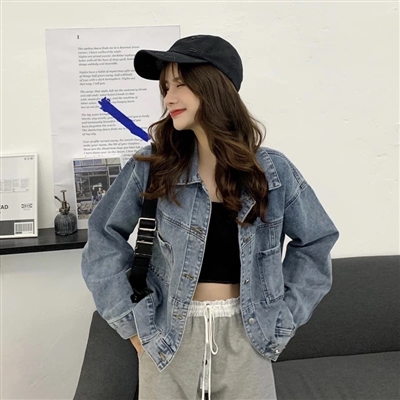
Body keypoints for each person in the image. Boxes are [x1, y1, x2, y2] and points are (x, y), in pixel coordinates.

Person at [81, 34, 339, 400]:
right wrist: (133, 326)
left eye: (180, 85)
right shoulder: (152, 167)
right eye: (166, 87)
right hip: (167, 338)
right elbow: (102, 238)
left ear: (214, 87)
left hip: (247, 337)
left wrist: (283, 319)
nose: (169, 98)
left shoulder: (272, 172)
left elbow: (316, 240)